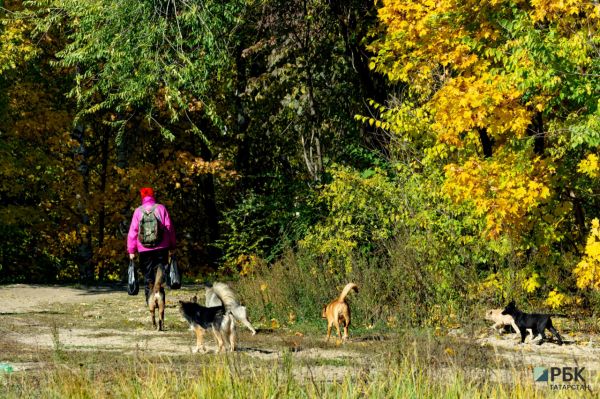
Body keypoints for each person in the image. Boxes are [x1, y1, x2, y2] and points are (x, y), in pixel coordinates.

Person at [127, 187, 176, 303]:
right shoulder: (161, 208)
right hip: (161, 247)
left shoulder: (138, 211)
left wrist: (131, 250)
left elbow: (133, 232)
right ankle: (160, 300)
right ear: (153, 195)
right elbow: (169, 229)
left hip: (144, 248)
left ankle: (149, 301)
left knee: (148, 275)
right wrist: (172, 246)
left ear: (142, 196)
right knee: (160, 274)